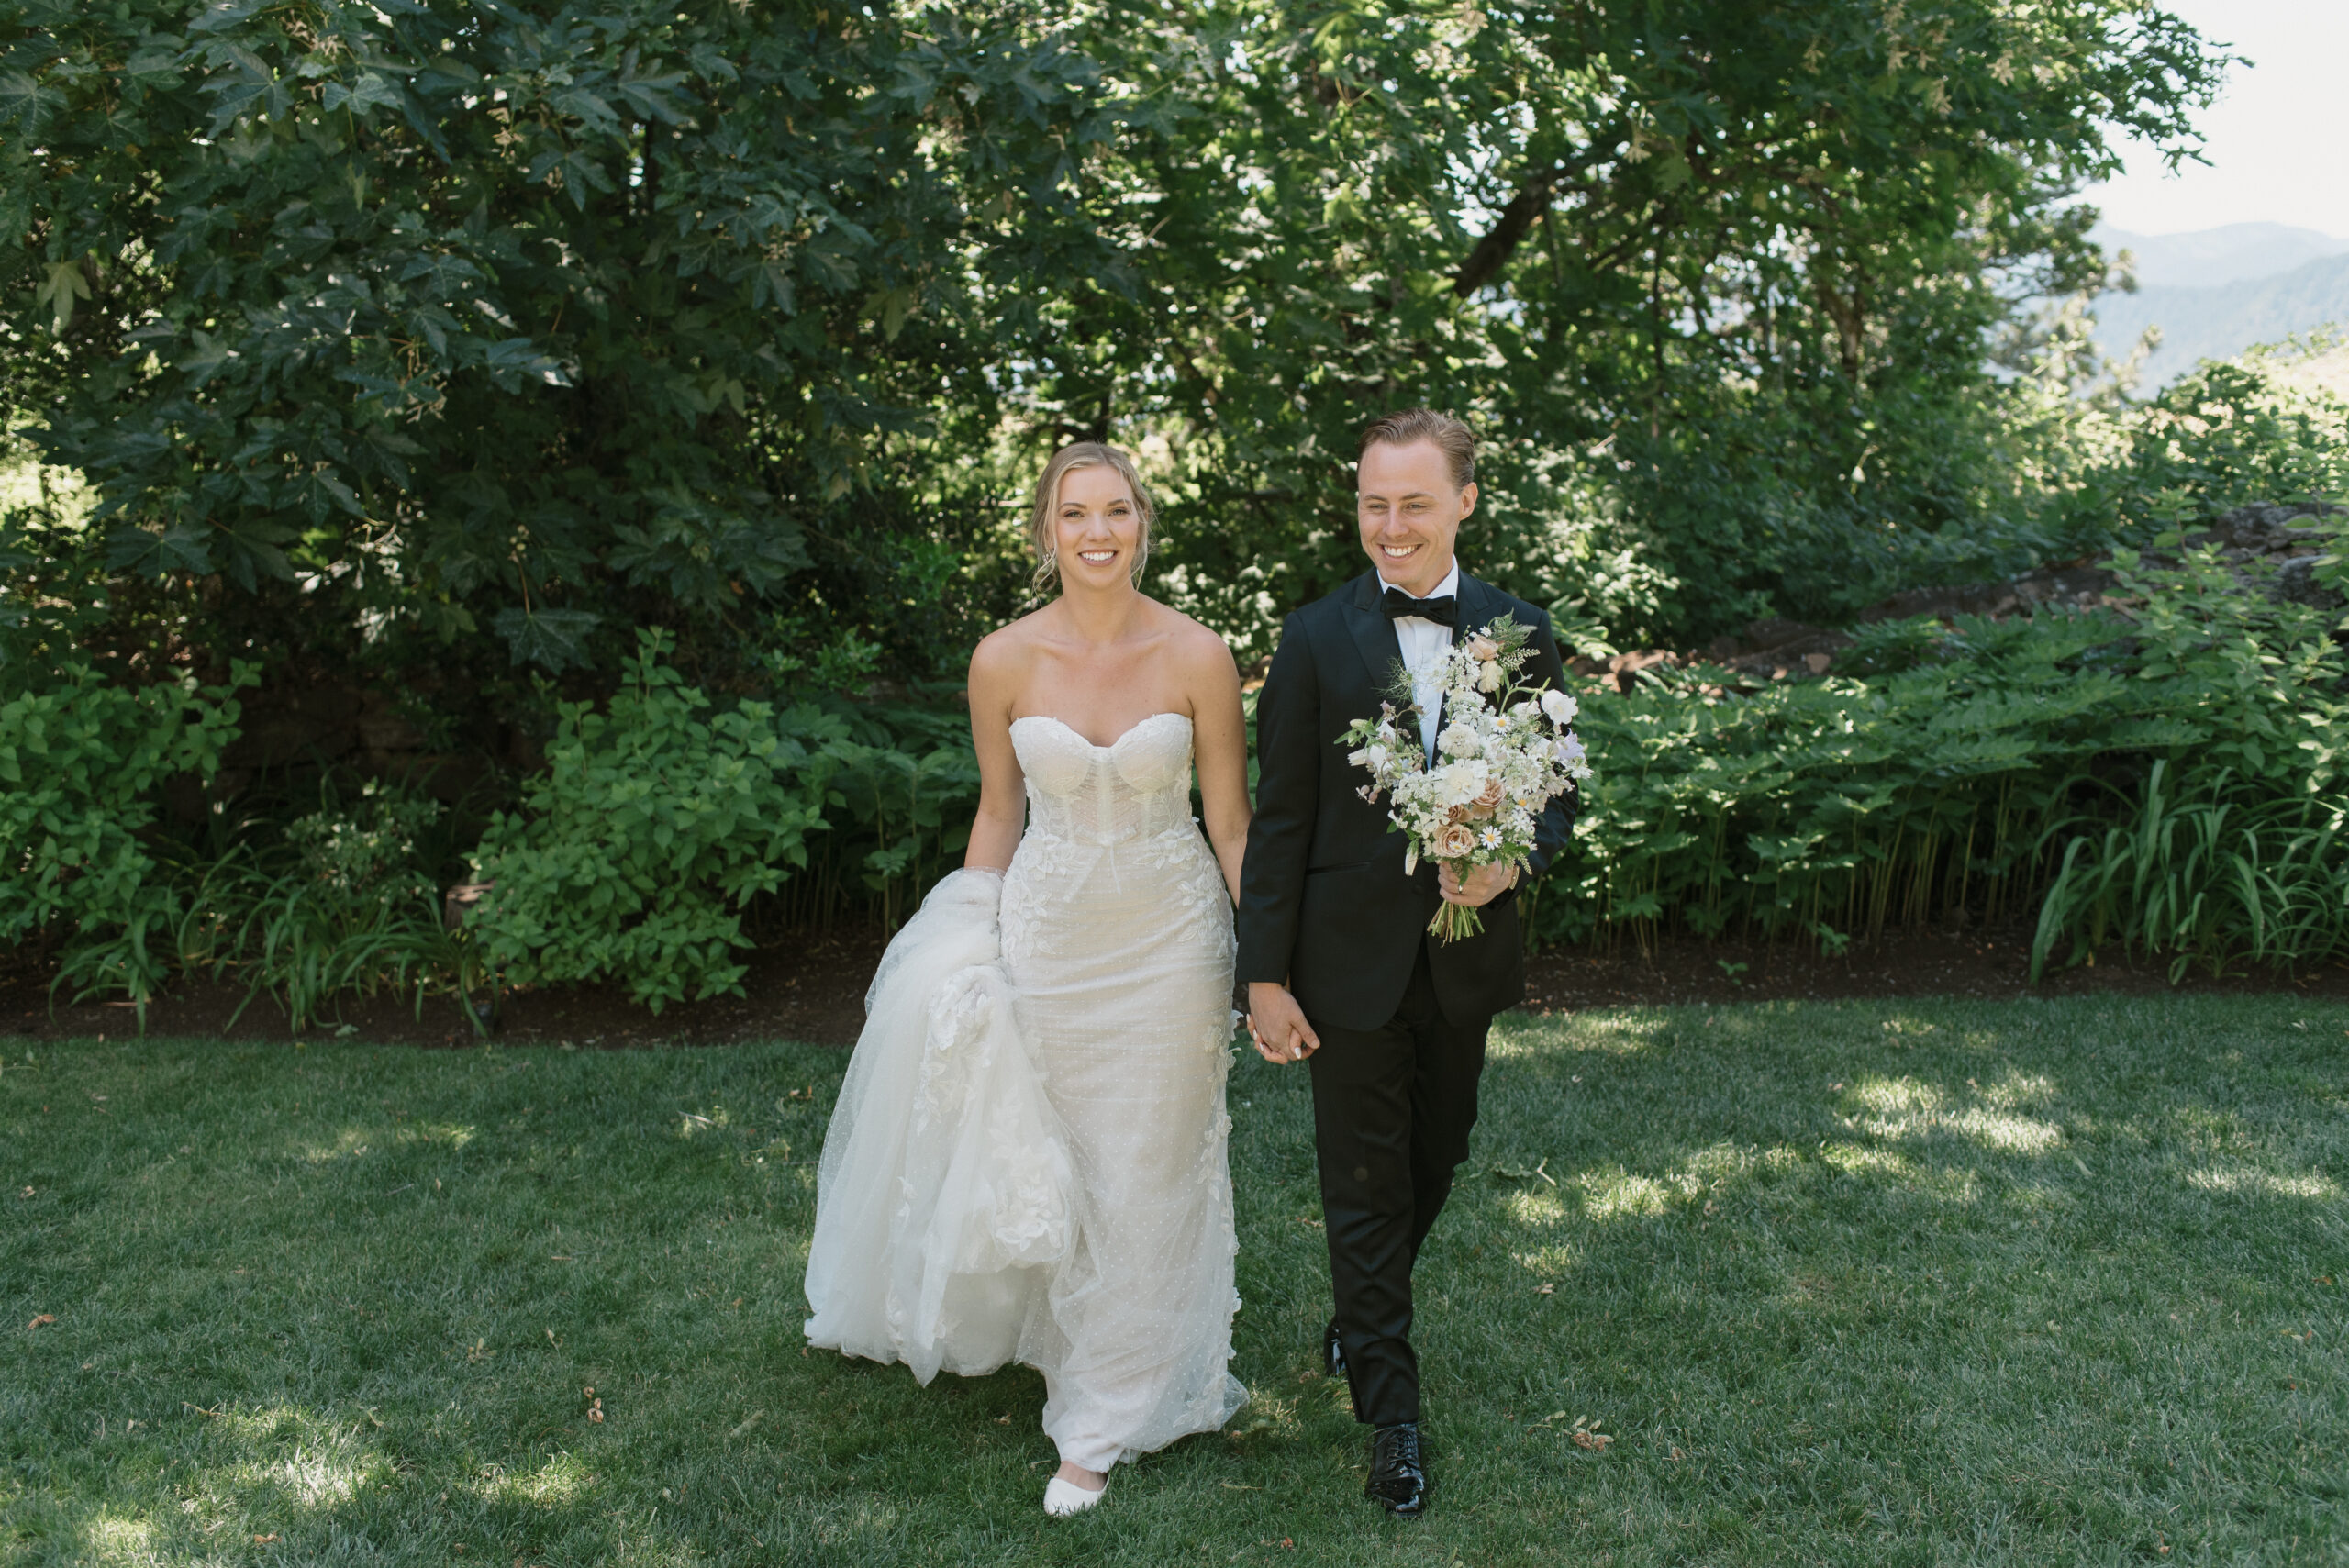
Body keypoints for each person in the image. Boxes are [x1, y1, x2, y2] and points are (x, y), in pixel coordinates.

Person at [804, 441, 1252, 1517]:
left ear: (1143, 521)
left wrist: (1270, 960)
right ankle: (1072, 1340)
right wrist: (963, 929)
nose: (1096, 533)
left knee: (1150, 1162)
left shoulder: (1200, 653)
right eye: (1073, 514)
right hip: (1048, 935)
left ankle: (1103, 1414)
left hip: (1171, 940)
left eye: (1115, 512)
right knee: (1061, 1152)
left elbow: (1232, 823)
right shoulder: (1002, 658)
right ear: (1044, 530)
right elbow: (1000, 808)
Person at [1237, 408, 1576, 1517]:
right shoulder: (1314, 637)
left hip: (1463, 958)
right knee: (1365, 1182)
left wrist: (1509, 865)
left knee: (1440, 1148)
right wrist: (1262, 974)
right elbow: (1278, 819)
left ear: (1464, 500)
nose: (1390, 525)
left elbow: (1556, 795)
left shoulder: (1518, 632)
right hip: (1341, 961)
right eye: (1373, 503)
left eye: (1414, 502)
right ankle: (1391, 1415)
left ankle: (1359, 1303)